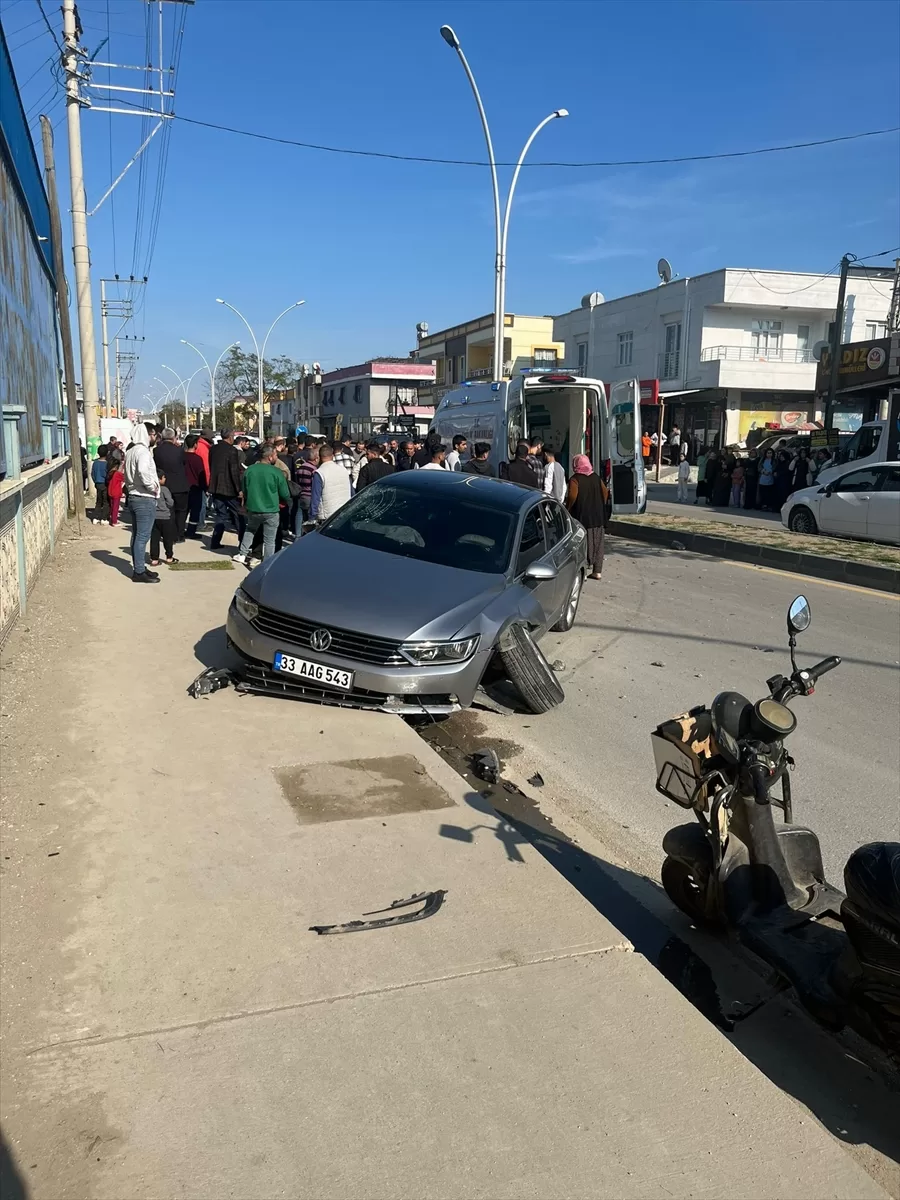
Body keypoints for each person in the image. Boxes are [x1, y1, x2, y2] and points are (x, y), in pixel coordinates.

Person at [233, 444, 290, 566]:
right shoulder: (276, 472)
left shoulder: (249, 470)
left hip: (253, 508)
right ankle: (267, 562)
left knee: (250, 530)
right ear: (270, 457)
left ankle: (242, 554)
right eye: (275, 455)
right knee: (269, 539)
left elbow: (244, 490)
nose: (276, 457)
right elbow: (285, 493)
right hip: (271, 509)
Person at [124, 422, 161, 583]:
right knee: (143, 536)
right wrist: (152, 487)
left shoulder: (131, 450)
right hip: (143, 497)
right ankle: (139, 572)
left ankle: (139, 567)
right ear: (146, 435)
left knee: (137, 535)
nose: (154, 437)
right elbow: (143, 472)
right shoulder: (143, 452)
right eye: (152, 434)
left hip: (133, 495)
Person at [566, 455, 607, 580]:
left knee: (582, 544)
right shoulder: (596, 477)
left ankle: (582, 571)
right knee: (598, 543)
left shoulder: (575, 479)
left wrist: (567, 508)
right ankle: (597, 571)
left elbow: (572, 496)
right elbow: (605, 492)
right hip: (598, 515)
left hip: (582, 516)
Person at [208, 430, 246, 549]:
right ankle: (242, 543)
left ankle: (215, 541)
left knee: (221, 515)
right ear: (230, 437)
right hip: (229, 489)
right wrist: (238, 489)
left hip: (215, 487)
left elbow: (211, 465)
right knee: (239, 516)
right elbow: (234, 471)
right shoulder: (232, 450)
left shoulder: (213, 449)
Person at [153, 428, 189, 542]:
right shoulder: (179, 450)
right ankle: (180, 534)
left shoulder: (156, 451)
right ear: (173, 438)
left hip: (164, 484)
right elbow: (184, 463)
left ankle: (170, 535)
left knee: (168, 511)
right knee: (181, 511)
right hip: (180, 485)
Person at [310, 443, 352, 523]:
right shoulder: (343, 470)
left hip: (328, 516)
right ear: (332, 455)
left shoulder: (319, 473)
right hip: (345, 512)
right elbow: (351, 492)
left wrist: (312, 517)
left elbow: (315, 498)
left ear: (319, 457)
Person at [182, 434, 208, 538]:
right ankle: (191, 532)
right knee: (195, 511)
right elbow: (201, 475)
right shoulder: (197, 459)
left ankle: (179, 530)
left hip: (183, 487)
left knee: (184, 510)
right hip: (195, 488)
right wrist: (205, 487)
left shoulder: (181, 457)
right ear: (195, 444)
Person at [149, 473, 178, 566]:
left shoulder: (150, 489)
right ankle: (169, 557)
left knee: (154, 539)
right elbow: (170, 502)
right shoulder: (164, 489)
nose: (165, 478)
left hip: (154, 517)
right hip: (165, 516)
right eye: (164, 477)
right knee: (167, 539)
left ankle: (154, 559)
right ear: (160, 479)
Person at [293, 445, 319, 534]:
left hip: (301, 494)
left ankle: (297, 535)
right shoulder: (314, 470)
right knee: (309, 518)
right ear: (316, 458)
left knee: (299, 514)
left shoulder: (301, 467)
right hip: (310, 495)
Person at [90, 445, 109, 524]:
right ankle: (104, 518)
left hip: (98, 483)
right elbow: (107, 475)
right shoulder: (107, 464)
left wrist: (95, 481)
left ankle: (96, 517)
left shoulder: (95, 463)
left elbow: (92, 474)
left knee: (98, 501)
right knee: (106, 502)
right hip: (105, 484)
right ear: (107, 453)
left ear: (98, 453)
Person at [106, 452, 125, 527]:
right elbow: (124, 478)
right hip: (116, 492)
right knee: (115, 508)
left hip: (110, 491)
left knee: (112, 506)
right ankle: (114, 521)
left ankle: (111, 519)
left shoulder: (110, 473)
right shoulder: (117, 474)